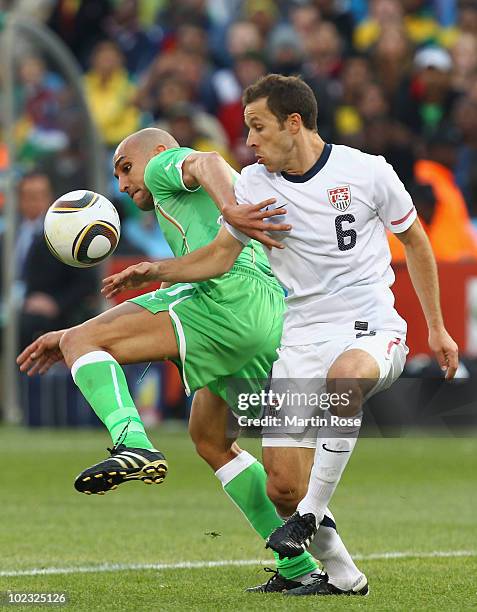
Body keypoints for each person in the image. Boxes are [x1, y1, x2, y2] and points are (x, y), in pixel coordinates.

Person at [103, 76, 459, 597]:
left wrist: (437, 328)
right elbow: (220, 257)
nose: (249, 139)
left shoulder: (366, 171)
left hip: (370, 327)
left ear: (294, 124)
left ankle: (313, 515)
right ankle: (343, 576)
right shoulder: (252, 184)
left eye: (257, 127)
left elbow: (416, 241)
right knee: (283, 488)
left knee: (344, 383)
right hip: (298, 340)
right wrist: (158, 268)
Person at [18, 128, 335, 591]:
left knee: (85, 343)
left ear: (159, 155)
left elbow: (206, 161)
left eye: (126, 168)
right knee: (211, 438)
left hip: (227, 302)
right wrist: (72, 334)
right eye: (117, 176)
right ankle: (300, 568)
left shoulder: (170, 167)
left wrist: (231, 209)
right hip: (267, 315)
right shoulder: (192, 219)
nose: (123, 184)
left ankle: (133, 443)